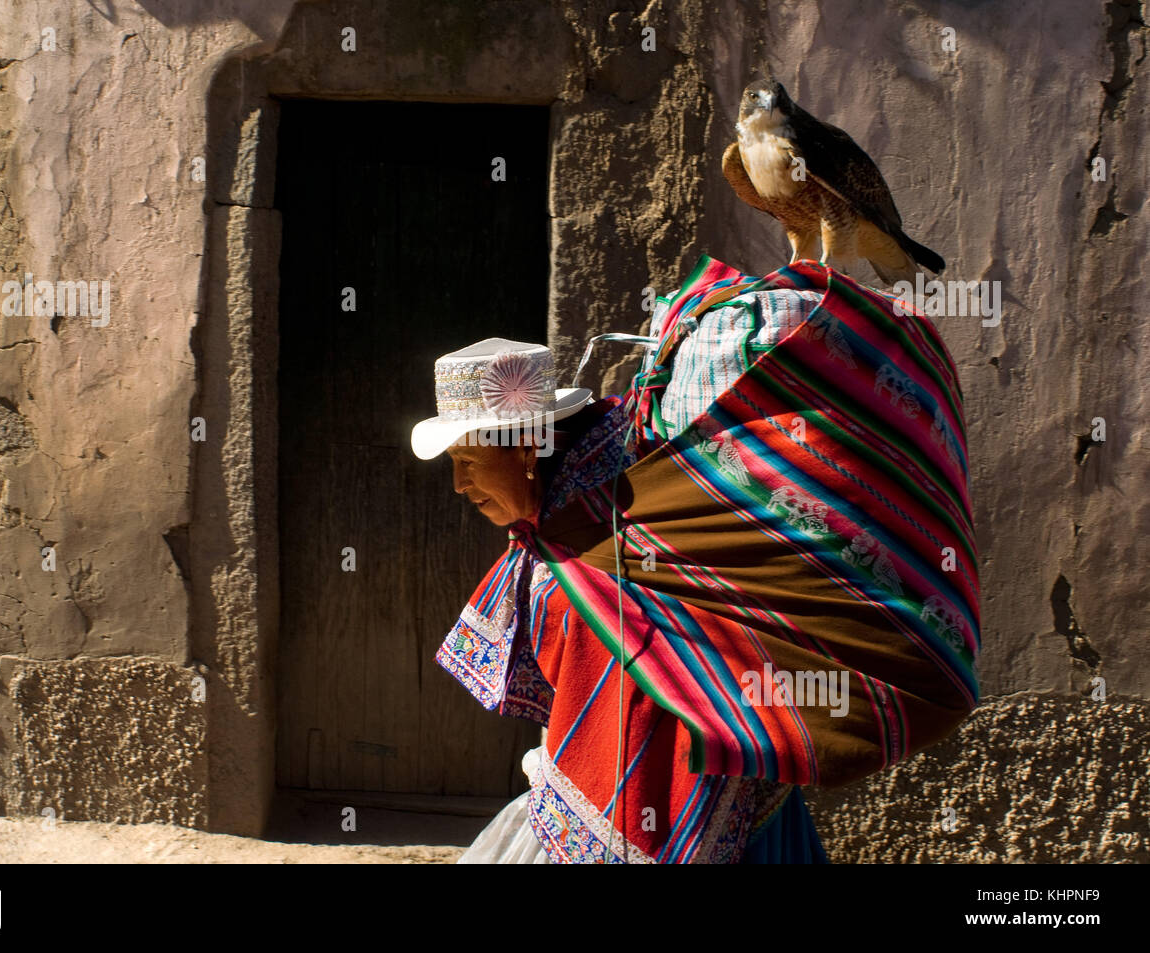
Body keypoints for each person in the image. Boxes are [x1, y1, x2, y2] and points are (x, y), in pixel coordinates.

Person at [411, 254, 980, 863]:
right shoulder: (556, 518)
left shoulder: (619, 512)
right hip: (658, 795)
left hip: (707, 789)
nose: (460, 487)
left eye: (468, 463)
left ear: (525, 447)